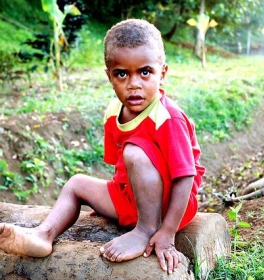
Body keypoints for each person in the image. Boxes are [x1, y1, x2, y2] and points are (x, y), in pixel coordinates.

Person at [0, 19, 205, 275]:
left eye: (145, 72)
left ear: (162, 73)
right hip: (132, 198)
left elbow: (185, 177)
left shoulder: (167, 118)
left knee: (135, 150)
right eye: (122, 74)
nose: (134, 84)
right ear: (109, 76)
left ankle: (145, 230)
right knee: (76, 183)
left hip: (171, 206)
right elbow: (120, 171)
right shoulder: (113, 113)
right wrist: (110, 203)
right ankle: (43, 235)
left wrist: (168, 232)